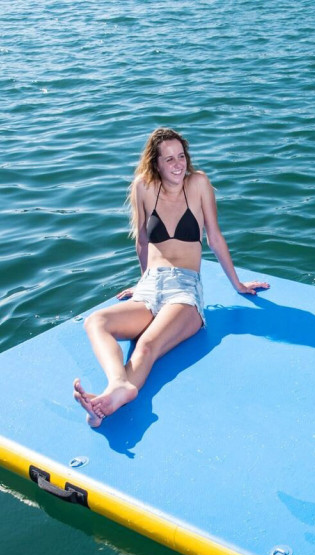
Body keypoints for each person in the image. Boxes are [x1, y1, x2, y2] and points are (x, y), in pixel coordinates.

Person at [74, 128, 269, 426]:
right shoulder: (142, 187)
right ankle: (117, 388)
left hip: (184, 290)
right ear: (156, 163)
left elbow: (215, 238)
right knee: (95, 322)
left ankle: (112, 397)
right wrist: (142, 282)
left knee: (147, 345)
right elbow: (142, 240)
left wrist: (238, 284)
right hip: (151, 286)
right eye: (169, 159)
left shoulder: (199, 184)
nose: (178, 164)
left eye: (181, 156)